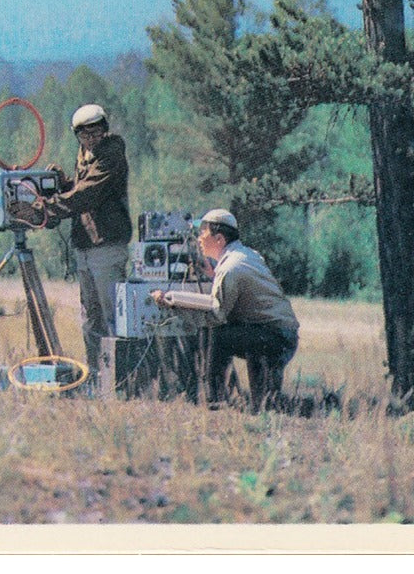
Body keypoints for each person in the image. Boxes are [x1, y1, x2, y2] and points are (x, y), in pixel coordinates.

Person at [151, 209, 300, 412]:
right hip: (280, 335)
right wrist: (213, 275)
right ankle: (317, 405)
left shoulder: (230, 268)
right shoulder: (246, 255)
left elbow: (216, 315)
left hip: (272, 336)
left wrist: (173, 305)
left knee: (217, 331)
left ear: (219, 239)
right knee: (265, 405)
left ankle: (215, 401)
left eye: (203, 233)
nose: (199, 238)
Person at [33, 104, 131, 381]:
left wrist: (45, 209)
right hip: (86, 244)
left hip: (106, 244)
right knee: (91, 316)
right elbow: (79, 191)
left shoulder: (111, 153)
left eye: (97, 132)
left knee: (113, 315)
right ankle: (97, 375)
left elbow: (88, 195)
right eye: (86, 135)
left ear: (105, 130)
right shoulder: (86, 155)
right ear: (78, 136)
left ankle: (118, 379)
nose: (92, 139)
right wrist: (63, 185)